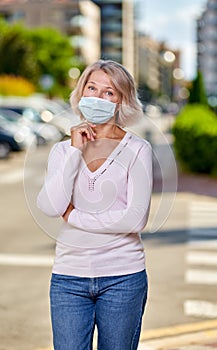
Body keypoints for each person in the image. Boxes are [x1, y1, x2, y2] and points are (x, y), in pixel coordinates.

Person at [37, 59, 153, 350]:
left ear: (122, 101)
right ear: (81, 92)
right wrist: (75, 152)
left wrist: (74, 216)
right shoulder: (63, 150)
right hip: (68, 278)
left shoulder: (138, 149)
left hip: (122, 277)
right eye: (92, 88)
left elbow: (135, 219)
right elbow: (50, 207)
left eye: (109, 92)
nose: (98, 97)